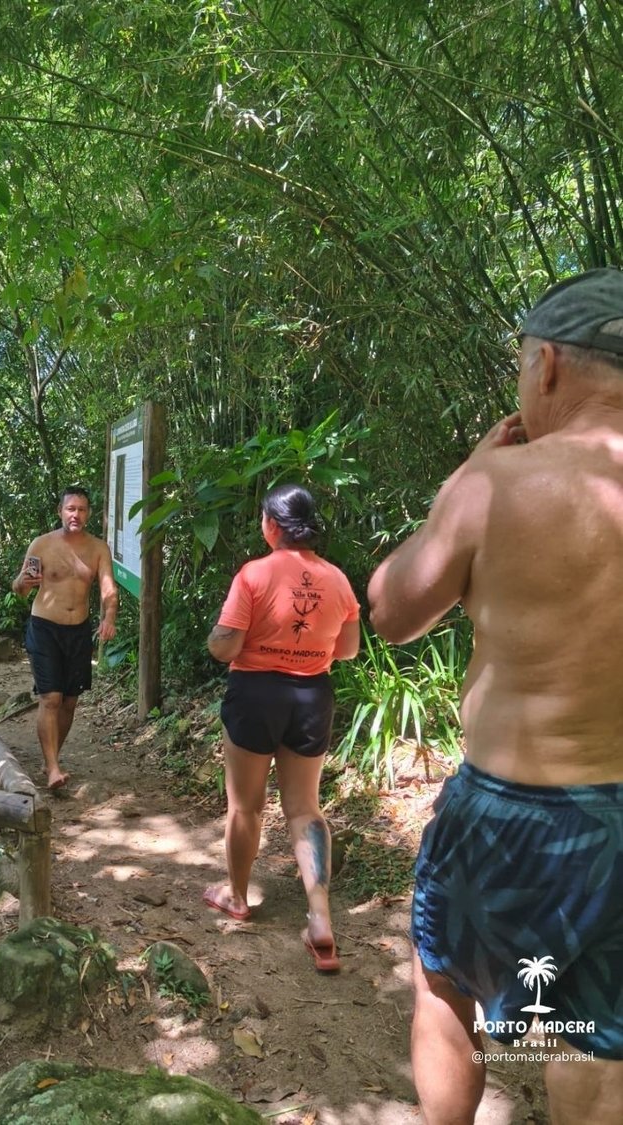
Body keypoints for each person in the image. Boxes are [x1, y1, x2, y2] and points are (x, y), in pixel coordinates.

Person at [366, 268, 623, 1125]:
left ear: (547, 364)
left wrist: (463, 480)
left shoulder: (496, 484)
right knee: (592, 1031)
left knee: (446, 984)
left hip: (508, 811)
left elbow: (391, 611)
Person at [204, 483, 360, 971]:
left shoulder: (254, 574)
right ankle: (320, 919)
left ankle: (236, 896)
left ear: (272, 525)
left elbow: (226, 646)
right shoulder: (336, 579)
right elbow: (348, 649)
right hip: (312, 697)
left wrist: (220, 638)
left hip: (256, 694)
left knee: (245, 805)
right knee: (304, 807)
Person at [12, 487, 118, 790]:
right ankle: (53, 768)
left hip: (79, 630)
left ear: (89, 514)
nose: (76, 514)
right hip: (44, 627)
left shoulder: (98, 548)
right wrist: (22, 582)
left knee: (70, 701)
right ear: (61, 512)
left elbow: (108, 589)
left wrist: (109, 617)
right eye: (71, 509)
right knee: (51, 698)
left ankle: (51, 758)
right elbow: (20, 589)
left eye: (82, 509)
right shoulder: (42, 544)